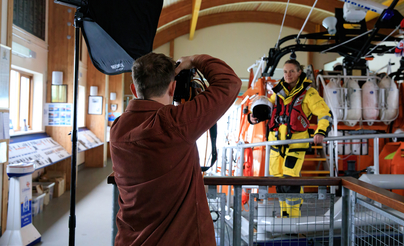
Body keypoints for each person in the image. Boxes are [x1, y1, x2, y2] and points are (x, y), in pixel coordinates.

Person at [110, 53, 241, 245]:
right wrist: (196, 60)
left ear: (134, 90)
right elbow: (229, 83)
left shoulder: (118, 127)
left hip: (131, 239)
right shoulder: (174, 124)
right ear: (173, 87)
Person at [249, 59, 332, 218]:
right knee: (280, 183)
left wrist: (320, 132)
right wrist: (253, 117)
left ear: (299, 72)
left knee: (290, 181)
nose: (288, 75)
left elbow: (325, 114)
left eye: (292, 71)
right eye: (285, 72)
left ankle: (293, 218)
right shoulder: (278, 93)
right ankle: (284, 216)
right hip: (276, 145)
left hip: (295, 145)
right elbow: (266, 109)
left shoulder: (309, 93)